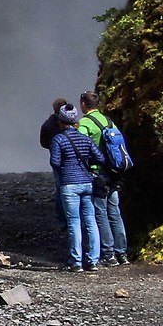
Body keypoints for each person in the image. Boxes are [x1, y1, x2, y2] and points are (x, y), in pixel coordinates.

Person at [47, 104, 104, 270]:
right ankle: (93, 260)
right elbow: (99, 158)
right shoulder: (85, 139)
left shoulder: (58, 139)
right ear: (75, 122)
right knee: (91, 221)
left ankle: (76, 261)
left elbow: (55, 162)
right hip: (87, 183)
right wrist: (87, 165)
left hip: (69, 184)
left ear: (61, 122)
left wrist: (66, 168)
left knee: (74, 222)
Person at [77, 91, 129, 265]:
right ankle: (122, 253)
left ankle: (108, 254)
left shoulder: (85, 122)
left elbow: (81, 145)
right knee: (115, 212)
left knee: (101, 212)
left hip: (98, 172)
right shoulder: (109, 121)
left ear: (84, 104)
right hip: (114, 172)